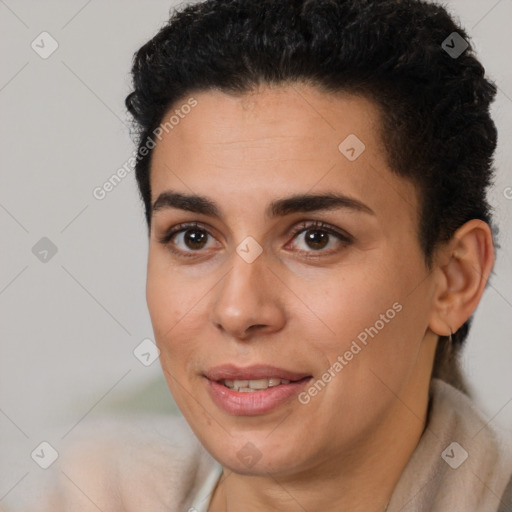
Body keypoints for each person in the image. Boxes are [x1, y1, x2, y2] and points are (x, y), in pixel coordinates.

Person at [5, 0, 511, 511]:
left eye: (316, 238)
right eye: (194, 237)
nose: (238, 311)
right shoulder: (88, 493)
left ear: (454, 279)